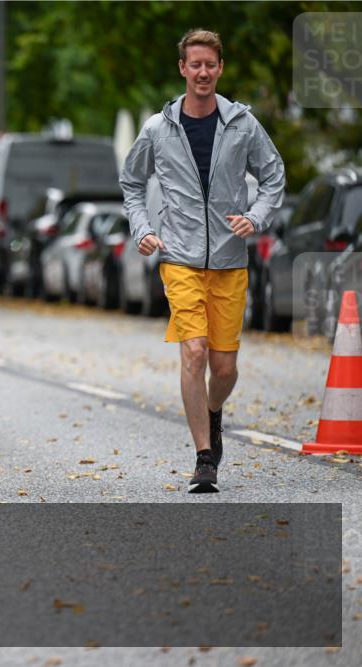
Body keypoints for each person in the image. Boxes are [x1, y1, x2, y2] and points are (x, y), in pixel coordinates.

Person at [120, 29, 285, 493]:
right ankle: (204, 458)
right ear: (182, 69)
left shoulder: (242, 124)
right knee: (193, 353)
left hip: (231, 260)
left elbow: (273, 177)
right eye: (195, 64)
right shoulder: (158, 128)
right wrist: (144, 229)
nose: (203, 72)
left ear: (220, 69)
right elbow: (132, 183)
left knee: (225, 367)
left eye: (210, 64)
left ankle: (213, 412)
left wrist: (256, 216)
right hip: (179, 256)